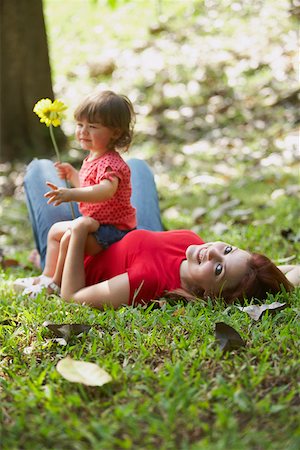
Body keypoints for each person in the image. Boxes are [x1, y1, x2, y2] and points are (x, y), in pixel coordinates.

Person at [15, 158, 299, 306]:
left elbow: (73, 297)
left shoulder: (147, 281)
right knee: (135, 166)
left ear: (208, 295)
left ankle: (45, 264)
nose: (211, 252)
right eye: (227, 250)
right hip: (122, 233)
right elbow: (287, 271)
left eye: (217, 270)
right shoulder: (193, 244)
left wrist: (78, 232)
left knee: (39, 168)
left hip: (74, 255)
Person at [20, 90, 137, 294]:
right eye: (80, 125)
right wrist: (74, 176)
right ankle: (46, 276)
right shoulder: (94, 157)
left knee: (68, 237)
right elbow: (89, 184)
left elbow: (106, 191)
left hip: (113, 231)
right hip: (96, 224)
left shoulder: (111, 163)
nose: (83, 131)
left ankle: (56, 283)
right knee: (55, 231)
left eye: (92, 127)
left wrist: (71, 194)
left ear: (115, 133)